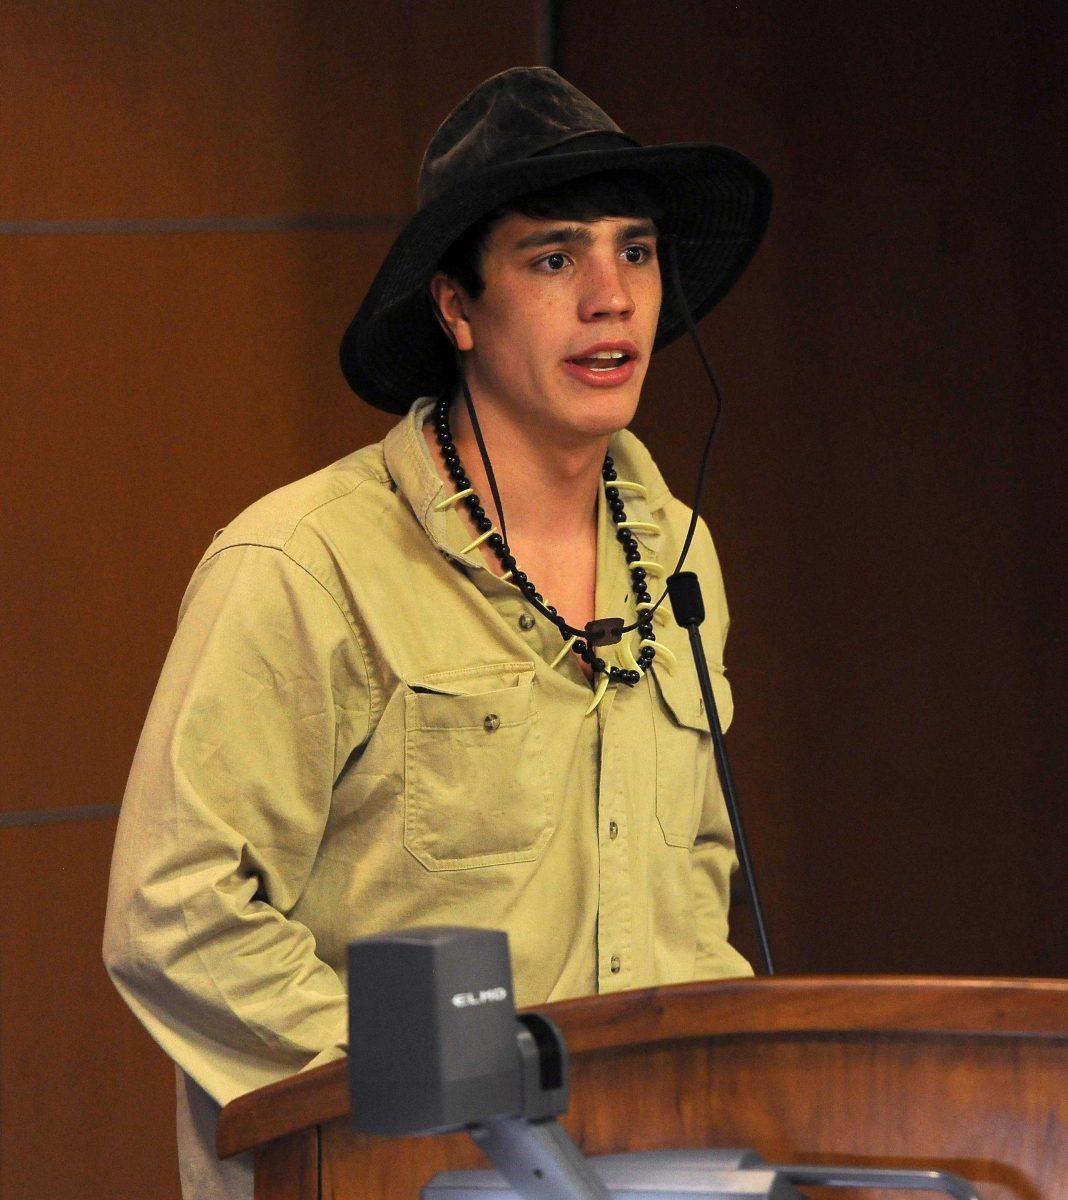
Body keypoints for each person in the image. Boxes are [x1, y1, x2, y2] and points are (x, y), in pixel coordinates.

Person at [103, 66, 771, 1200]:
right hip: (394, 1174)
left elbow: (692, 889)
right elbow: (173, 913)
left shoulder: (680, 554)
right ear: (457, 307)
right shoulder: (306, 564)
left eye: (637, 250)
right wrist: (442, 1091)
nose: (611, 296)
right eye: (555, 258)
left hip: (652, 1167)